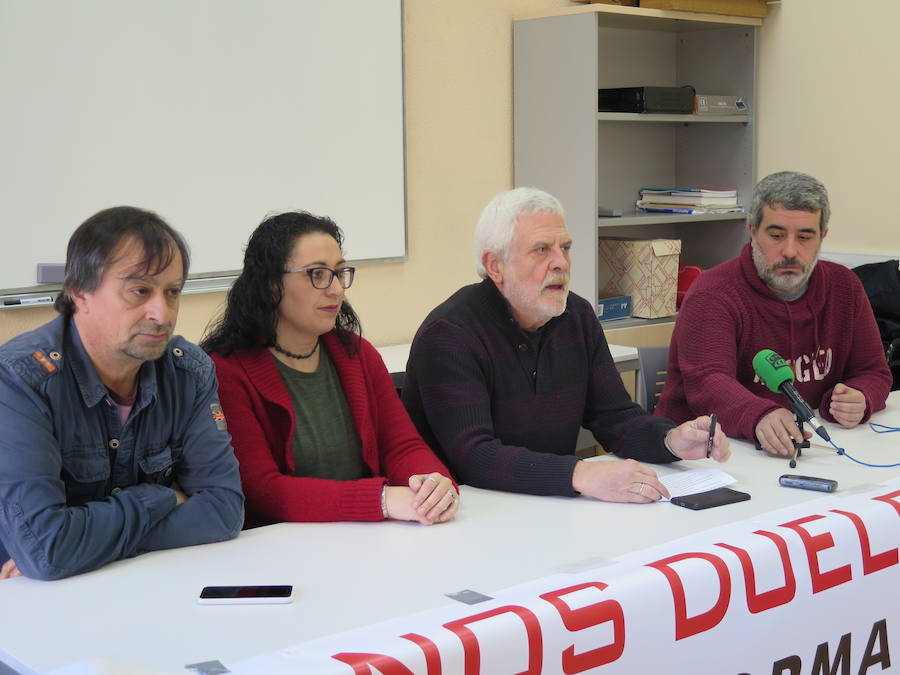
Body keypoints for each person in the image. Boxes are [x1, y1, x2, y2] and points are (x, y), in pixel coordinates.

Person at [401, 188, 729, 503]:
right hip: (470, 516)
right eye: (541, 249)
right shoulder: (450, 334)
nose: (561, 262)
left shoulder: (577, 315)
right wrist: (581, 474)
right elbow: (473, 456)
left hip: (549, 508)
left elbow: (614, 417)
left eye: (566, 248)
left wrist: (670, 440)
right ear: (495, 266)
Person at [0, 207, 244, 581]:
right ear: (80, 293)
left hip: (138, 586)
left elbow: (225, 510)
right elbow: (46, 548)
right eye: (139, 291)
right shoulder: (20, 380)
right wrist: (164, 498)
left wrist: (87, 546)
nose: (161, 314)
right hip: (28, 604)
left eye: (173, 292)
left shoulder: (188, 371)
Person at [201, 211, 458, 527]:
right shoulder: (226, 371)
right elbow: (263, 491)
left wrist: (431, 485)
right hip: (281, 550)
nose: (336, 289)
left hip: (367, 540)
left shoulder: (357, 354)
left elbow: (402, 445)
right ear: (270, 285)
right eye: (317, 274)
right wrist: (382, 500)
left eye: (339, 273)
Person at [655, 171, 892, 456]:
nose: (790, 251)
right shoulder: (713, 293)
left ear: (823, 236)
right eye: (776, 235)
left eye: (805, 237)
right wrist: (760, 414)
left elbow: (873, 371)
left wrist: (861, 396)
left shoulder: (845, 286)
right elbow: (708, 383)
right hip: (702, 456)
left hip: (805, 448)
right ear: (753, 230)